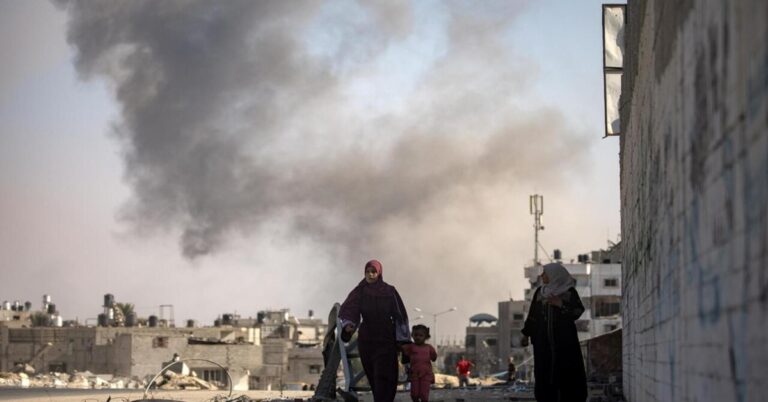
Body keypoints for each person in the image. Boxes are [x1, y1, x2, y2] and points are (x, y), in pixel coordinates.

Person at [339, 259, 409, 402]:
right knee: (373, 375)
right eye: (367, 272)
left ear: (379, 273)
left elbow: (400, 316)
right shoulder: (360, 291)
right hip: (367, 339)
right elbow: (350, 310)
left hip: (386, 338)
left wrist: (403, 340)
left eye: (373, 272)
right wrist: (349, 326)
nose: (370, 275)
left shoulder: (389, 291)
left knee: (384, 374)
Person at [521, 262, 588, 402]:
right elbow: (533, 316)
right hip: (543, 343)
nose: (542, 275)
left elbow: (578, 311)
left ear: (554, 275)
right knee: (544, 374)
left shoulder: (569, 292)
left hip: (565, 343)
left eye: (545, 273)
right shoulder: (540, 293)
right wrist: (526, 333)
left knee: (567, 373)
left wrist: (561, 304)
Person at [401, 325, 437, 402]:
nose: (418, 337)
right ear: (412, 336)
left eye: (421, 335)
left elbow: (434, 357)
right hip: (414, 374)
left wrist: (434, 356)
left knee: (424, 395)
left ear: (426, 337)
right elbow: (402, 348)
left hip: (426, 374)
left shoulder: (429, 348)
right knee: (414, 394)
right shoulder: (411, 346)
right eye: (416, 335)